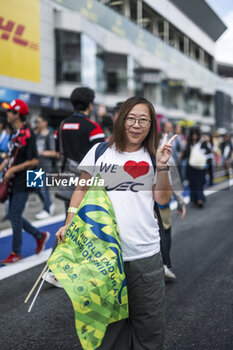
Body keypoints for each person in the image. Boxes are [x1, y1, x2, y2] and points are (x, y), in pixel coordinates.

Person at [56, 96, 177, 349]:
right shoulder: (100, 150)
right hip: (102, 257)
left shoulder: (156, 155)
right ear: (121, 121)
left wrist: (163, 166)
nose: (136, 125)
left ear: (151, 124)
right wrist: (69, 221)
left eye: (143, 120)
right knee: (111, 333)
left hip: (144, 256)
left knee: (149, 330)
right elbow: (81, 188)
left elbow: (163, 199)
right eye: (131, 118)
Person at [0, 99, 50, 265]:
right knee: (15, 215)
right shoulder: (14, 133)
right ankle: (39, 235)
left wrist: (13, 170)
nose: (7, 114)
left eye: (10, 111)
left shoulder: (28, 133)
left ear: (17, 114)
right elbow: (9, 157)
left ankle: (17, 252)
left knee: (14, 215)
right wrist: (3, 169)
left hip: (25, 179)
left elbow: (34, 160)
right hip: (14, 180)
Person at [55, 87, 105, 213]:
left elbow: (58, 152)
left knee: (70, 214)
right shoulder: (94, 128)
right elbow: (101, 157)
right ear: (90, 105)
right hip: (88, 180)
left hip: (68, 177)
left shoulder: (61, 126)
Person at [157, 156, 186, 280]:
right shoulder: (165, 154)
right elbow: (174, 180)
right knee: (164, 231)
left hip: (143, 202)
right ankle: (163, 266)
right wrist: (180, 202)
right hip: (160, 201)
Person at [35, 114, 57, 219]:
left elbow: (53, 152)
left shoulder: (49, 135)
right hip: (36, 166)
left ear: (45, 123)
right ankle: (49, 204)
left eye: (39, 122)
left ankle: (47, 209)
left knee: (43, 188)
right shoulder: (37, 134)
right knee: (36, 188)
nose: (37, 124)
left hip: (45, 166)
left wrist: (40, 153)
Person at [182, 127, 211, 208]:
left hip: (201, 167)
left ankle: (200, 199)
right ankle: (194, 200)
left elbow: (208, 153)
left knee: (200, 184)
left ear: (198, 135)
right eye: (193, 134)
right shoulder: (189, 143)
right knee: (192, 184)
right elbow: (185, 155)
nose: (194, 136)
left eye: (196, 134)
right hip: (191, 167)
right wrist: (189, 149)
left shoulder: (202, 143)